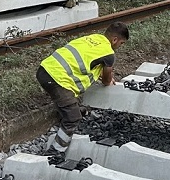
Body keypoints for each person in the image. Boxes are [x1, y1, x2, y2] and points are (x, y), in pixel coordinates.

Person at [37, 22, 129, 154]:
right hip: (57, 79)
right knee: (73, 118)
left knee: (69, 101)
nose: (120, 47)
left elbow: (86, 61)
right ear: (115, 39)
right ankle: (55, 151)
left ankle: (68, 108)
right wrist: (108, 77)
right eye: (121, 43)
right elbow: (106, 81)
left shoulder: (92, 38)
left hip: (44, 69)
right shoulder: (108, 53)